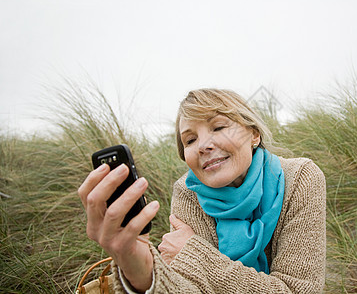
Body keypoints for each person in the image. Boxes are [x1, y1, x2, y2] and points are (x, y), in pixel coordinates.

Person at [78, 88, 326, 293]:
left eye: (218, 127)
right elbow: (189, 288)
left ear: (254, 134)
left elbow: (298, 290)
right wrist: (141, 270)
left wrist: (196, 255)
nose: (203, 146)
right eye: (190, 140)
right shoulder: (188, 193)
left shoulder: (301, 177)